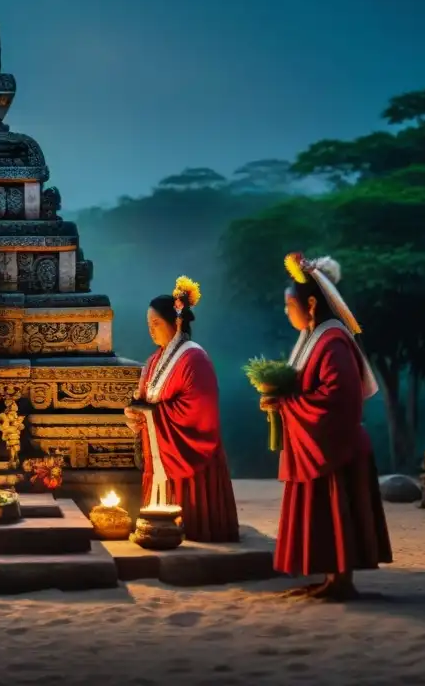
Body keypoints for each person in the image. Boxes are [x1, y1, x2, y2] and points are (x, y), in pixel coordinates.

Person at [263, 253, 392, 601]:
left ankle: (341, 581)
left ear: (309, 303)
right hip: (321, 442)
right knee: (326, 515)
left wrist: (287, 404)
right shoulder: (314, 338)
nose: (287, 312)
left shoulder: (332, 341)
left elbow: (338, 399)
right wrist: (280, 399)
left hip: (336, 446)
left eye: (289, 305)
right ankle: (330, 578)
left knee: (337, 512)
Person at [124, 276, 240, 542]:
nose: (151, 331)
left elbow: (198, 410)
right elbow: (143, 398)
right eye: (148, 325)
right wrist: (134, 413)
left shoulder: (194, 357)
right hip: (159, 449)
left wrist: (152, 413)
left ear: (175, 322)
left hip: (183, 449)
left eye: (156, 323)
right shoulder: (154, 360)